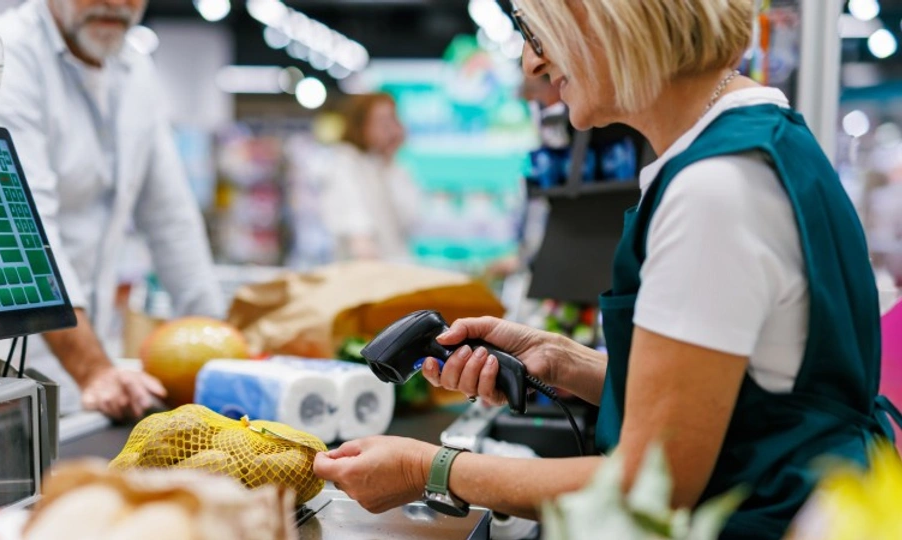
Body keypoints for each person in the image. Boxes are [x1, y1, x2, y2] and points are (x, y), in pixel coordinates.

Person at [313, 1, 900, 537]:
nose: (533, 62)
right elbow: (750, 396)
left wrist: (431, 469)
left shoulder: (713, 192)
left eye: (539, 32)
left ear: (609, 18)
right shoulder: (759, 142)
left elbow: (648, 487)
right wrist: (569, 362)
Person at [0, 0, 224, 420]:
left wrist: (219, 353)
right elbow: (24, 226)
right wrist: (92, 368)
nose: (116, 3)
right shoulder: (5, 54)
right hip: (4, 369)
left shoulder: (136, 71)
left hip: (92, 369)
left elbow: (172, 222)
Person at [320, 92, 420, 262]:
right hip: (367, 272)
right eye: (382, 121)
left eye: (393, 119)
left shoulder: (389, 167)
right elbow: (354, 222)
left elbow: (409, 218)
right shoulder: (345, 162)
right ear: (361, 125)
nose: (390, 129)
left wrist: (390, 161)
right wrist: (364, 247)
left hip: (393, 267)